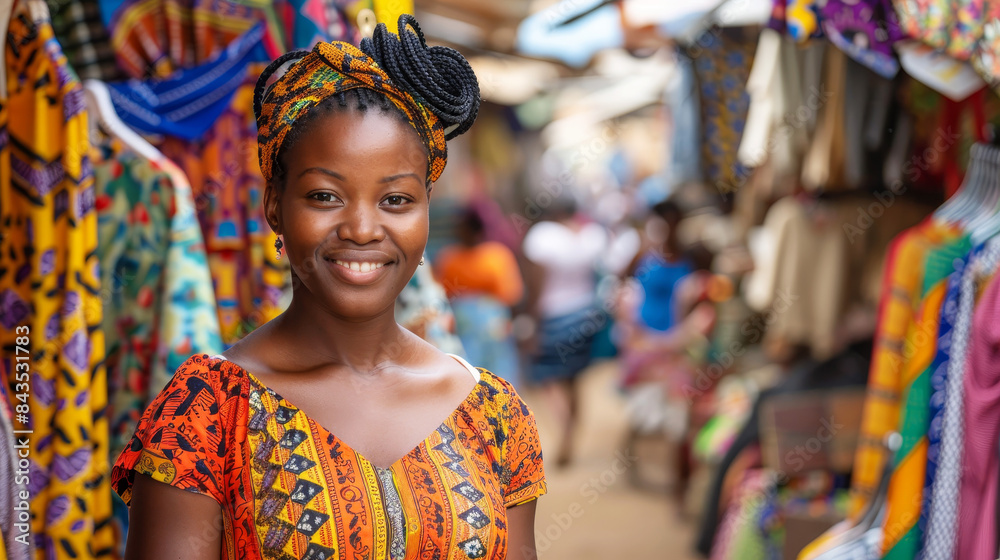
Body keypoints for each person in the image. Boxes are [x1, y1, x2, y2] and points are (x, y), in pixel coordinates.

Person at [111, 16, 546, 560]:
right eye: (324, 196)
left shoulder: (494, 415)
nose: (362, 229)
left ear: (426, 211)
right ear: (275, 205)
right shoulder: (206, 413)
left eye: (396, 200)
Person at [521, 196, 607, 467]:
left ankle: (565, 430)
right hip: (586, 315)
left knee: (548, 378)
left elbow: (536, 285)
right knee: (574, 380)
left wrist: (530, 321)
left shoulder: (543, 237)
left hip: (554, 318)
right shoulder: (590, 236)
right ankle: (570, 432)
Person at [434, 207, 524, 386]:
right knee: (470, 371)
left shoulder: (496, 255)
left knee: (497, 373)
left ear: (476, 230)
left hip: (493, 326)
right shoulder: (449, 258)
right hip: (464, 326)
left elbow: (511, 295)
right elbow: (443, 295)